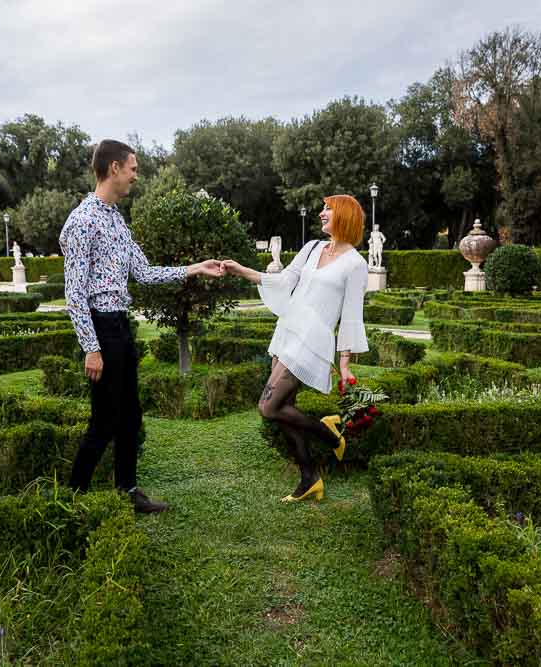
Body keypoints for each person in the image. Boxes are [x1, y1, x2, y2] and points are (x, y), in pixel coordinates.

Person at [60, 139, 224, 513]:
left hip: (120, 324)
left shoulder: (116, 218)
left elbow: (145, 273)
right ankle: (70, 501)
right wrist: (91, 346)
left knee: (130, 416)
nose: (136, 175)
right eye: (133, 168)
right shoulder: (82, 221)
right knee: (104, 421)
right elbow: (74, 292)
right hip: (101, 328)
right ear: (114, 168)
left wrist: (195, 268)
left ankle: (128, 492)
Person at [221, 195, 369, 503]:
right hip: (288, 330)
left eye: (328, 208)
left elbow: (352, 314)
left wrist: (344, 364)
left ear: (345, 216)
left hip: (313, 340)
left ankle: (331, 436)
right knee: (282, 409)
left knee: (269, 407)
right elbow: (283, 280)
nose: (321, 212)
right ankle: (309, 478)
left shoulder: (356, 264)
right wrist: (242, 271)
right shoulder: (312, 247)